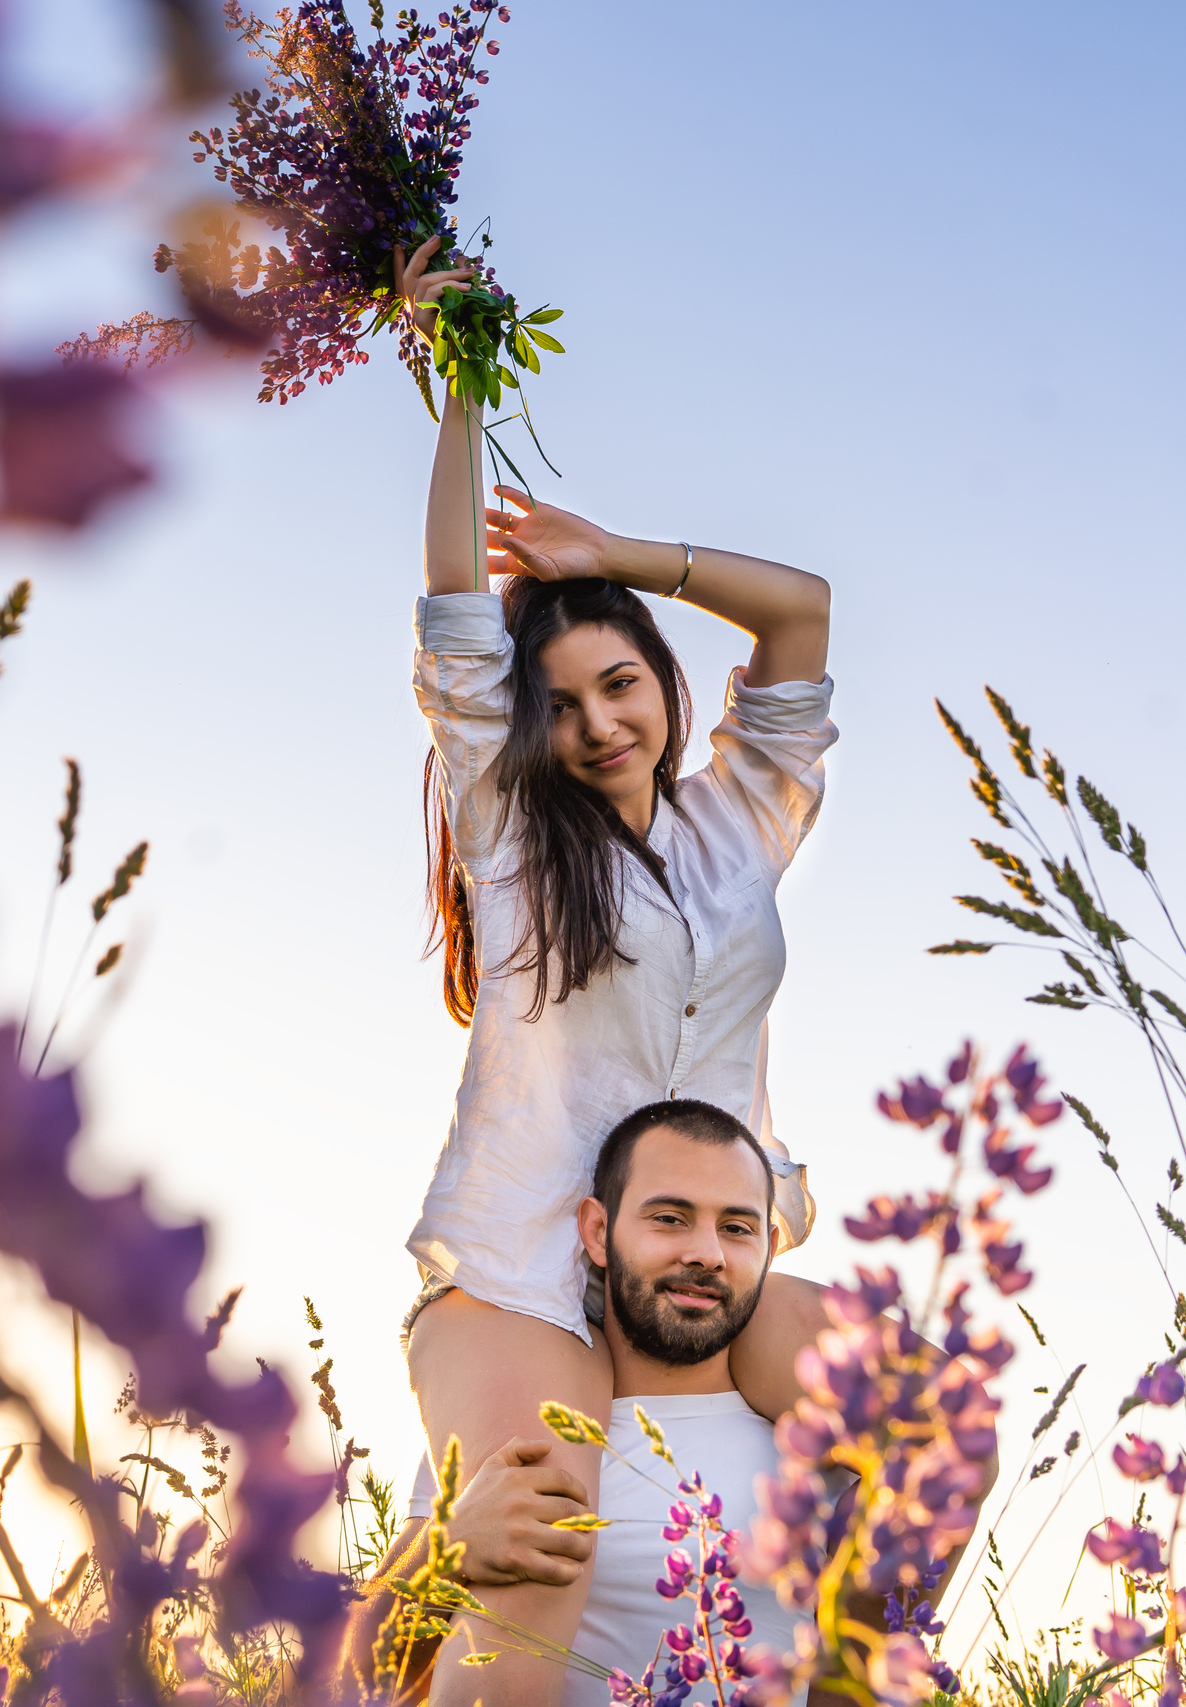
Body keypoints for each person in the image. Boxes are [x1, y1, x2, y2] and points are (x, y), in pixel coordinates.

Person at [390, 236, 843, 1707]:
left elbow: (804, 609)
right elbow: (459, 615)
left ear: (662, 680)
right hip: (533, 1270)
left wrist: (610, 558)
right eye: (561, 705)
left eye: (622, 683)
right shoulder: (517, 838)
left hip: (708, 1250)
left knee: (905, 1413)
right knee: (542, 1544)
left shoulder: (737, 824)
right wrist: (457, 381)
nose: (598, 724)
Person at [355, 1103, 988, 1706]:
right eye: (669, 1218)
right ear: (598, 1231)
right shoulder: (524, 1421)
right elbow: (361, 1673)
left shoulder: (809, 1449)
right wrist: (446, 1553)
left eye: (736, 1229)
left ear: (768, 1245)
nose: (706, 1253)